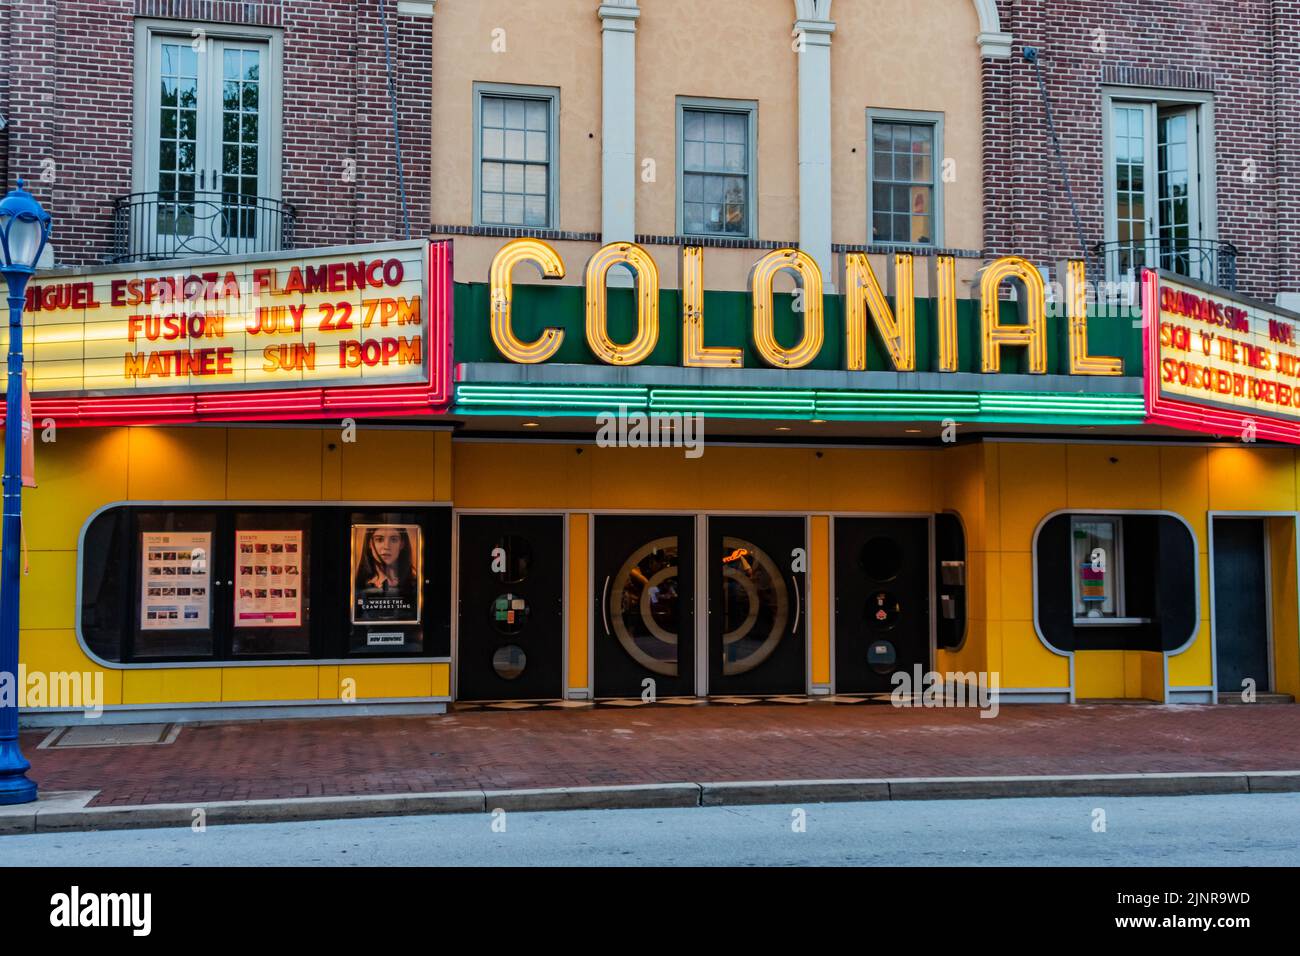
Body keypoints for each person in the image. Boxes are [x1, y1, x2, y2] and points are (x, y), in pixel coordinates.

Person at [354, 525, 419, 619]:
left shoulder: (415, 586)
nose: (386, 546)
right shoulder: (358, 587)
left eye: (394, 540)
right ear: (369, 544)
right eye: (379, 539)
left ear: (402, 544)